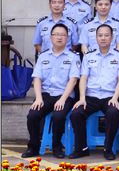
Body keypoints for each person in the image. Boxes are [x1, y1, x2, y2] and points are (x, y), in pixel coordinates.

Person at [22, 24, 80, 159]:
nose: (59, 37)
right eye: (56, 34)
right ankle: (33, 147)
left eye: (63, 35)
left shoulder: (73, 57)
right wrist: (38, 98)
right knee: (33, 115)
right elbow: (37, 78)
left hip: (64, 95)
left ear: (67, 38)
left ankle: (57, 147)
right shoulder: (43, 56)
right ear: (51, 37)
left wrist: (63, 99)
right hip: (46, 94)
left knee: (58, 116)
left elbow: (73, 80)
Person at [69, 24, 119, 160]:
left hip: (110, 96)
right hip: (91, 97)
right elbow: (83, 78)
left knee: (113, 113)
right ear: (96, 38)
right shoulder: (88, 56)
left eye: (106, 35)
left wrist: (115, 98)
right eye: (100, 35)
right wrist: (82, 98)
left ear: (112, 38)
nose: (103, 38)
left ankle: (108, 148)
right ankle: (82, 148)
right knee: (76, 114)